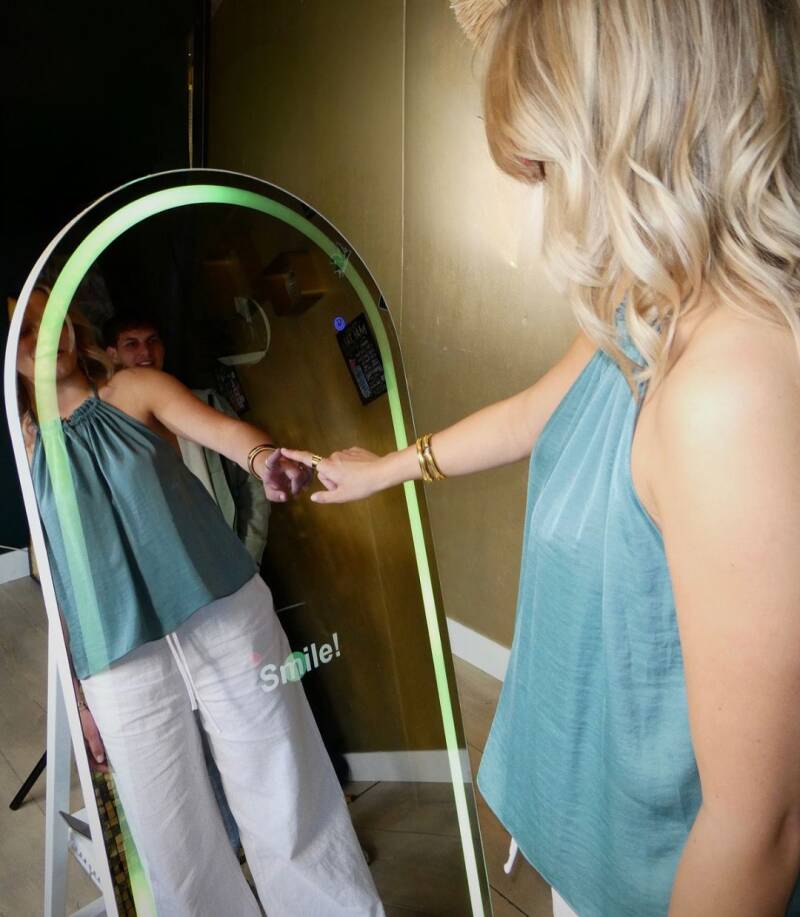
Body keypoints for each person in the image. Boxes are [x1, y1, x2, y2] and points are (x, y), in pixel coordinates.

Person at [284, 1, 800, 915]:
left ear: (632, 135)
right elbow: (535, 414)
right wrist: (388, 466)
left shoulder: (731, 390)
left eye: (546, 166)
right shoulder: (648, 304)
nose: (538, 205)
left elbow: (758, 829)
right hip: (592, 815)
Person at [17, 286, 384, 917]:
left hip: (223, 612)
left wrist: (263, 458)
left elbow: (225, 433)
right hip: (115, 658)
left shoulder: (133, 389)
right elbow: (53, 577)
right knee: (172, 843)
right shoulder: (25, 448)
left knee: (282, 785)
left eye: (51, 319)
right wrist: (77, 697)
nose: (47, 335)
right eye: (25, 331)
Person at [104, 310, 272, 856]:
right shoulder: (102, 430)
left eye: (152, 340)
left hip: (232, 580)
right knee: (192, 736)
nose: (144, 352)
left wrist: (245, 558)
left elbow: (249, 484)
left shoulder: (199, 401)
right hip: (166, 608)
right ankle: (232, 844)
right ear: (110, 354)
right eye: (131, 343)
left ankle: (274, 833)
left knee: (258, 710)